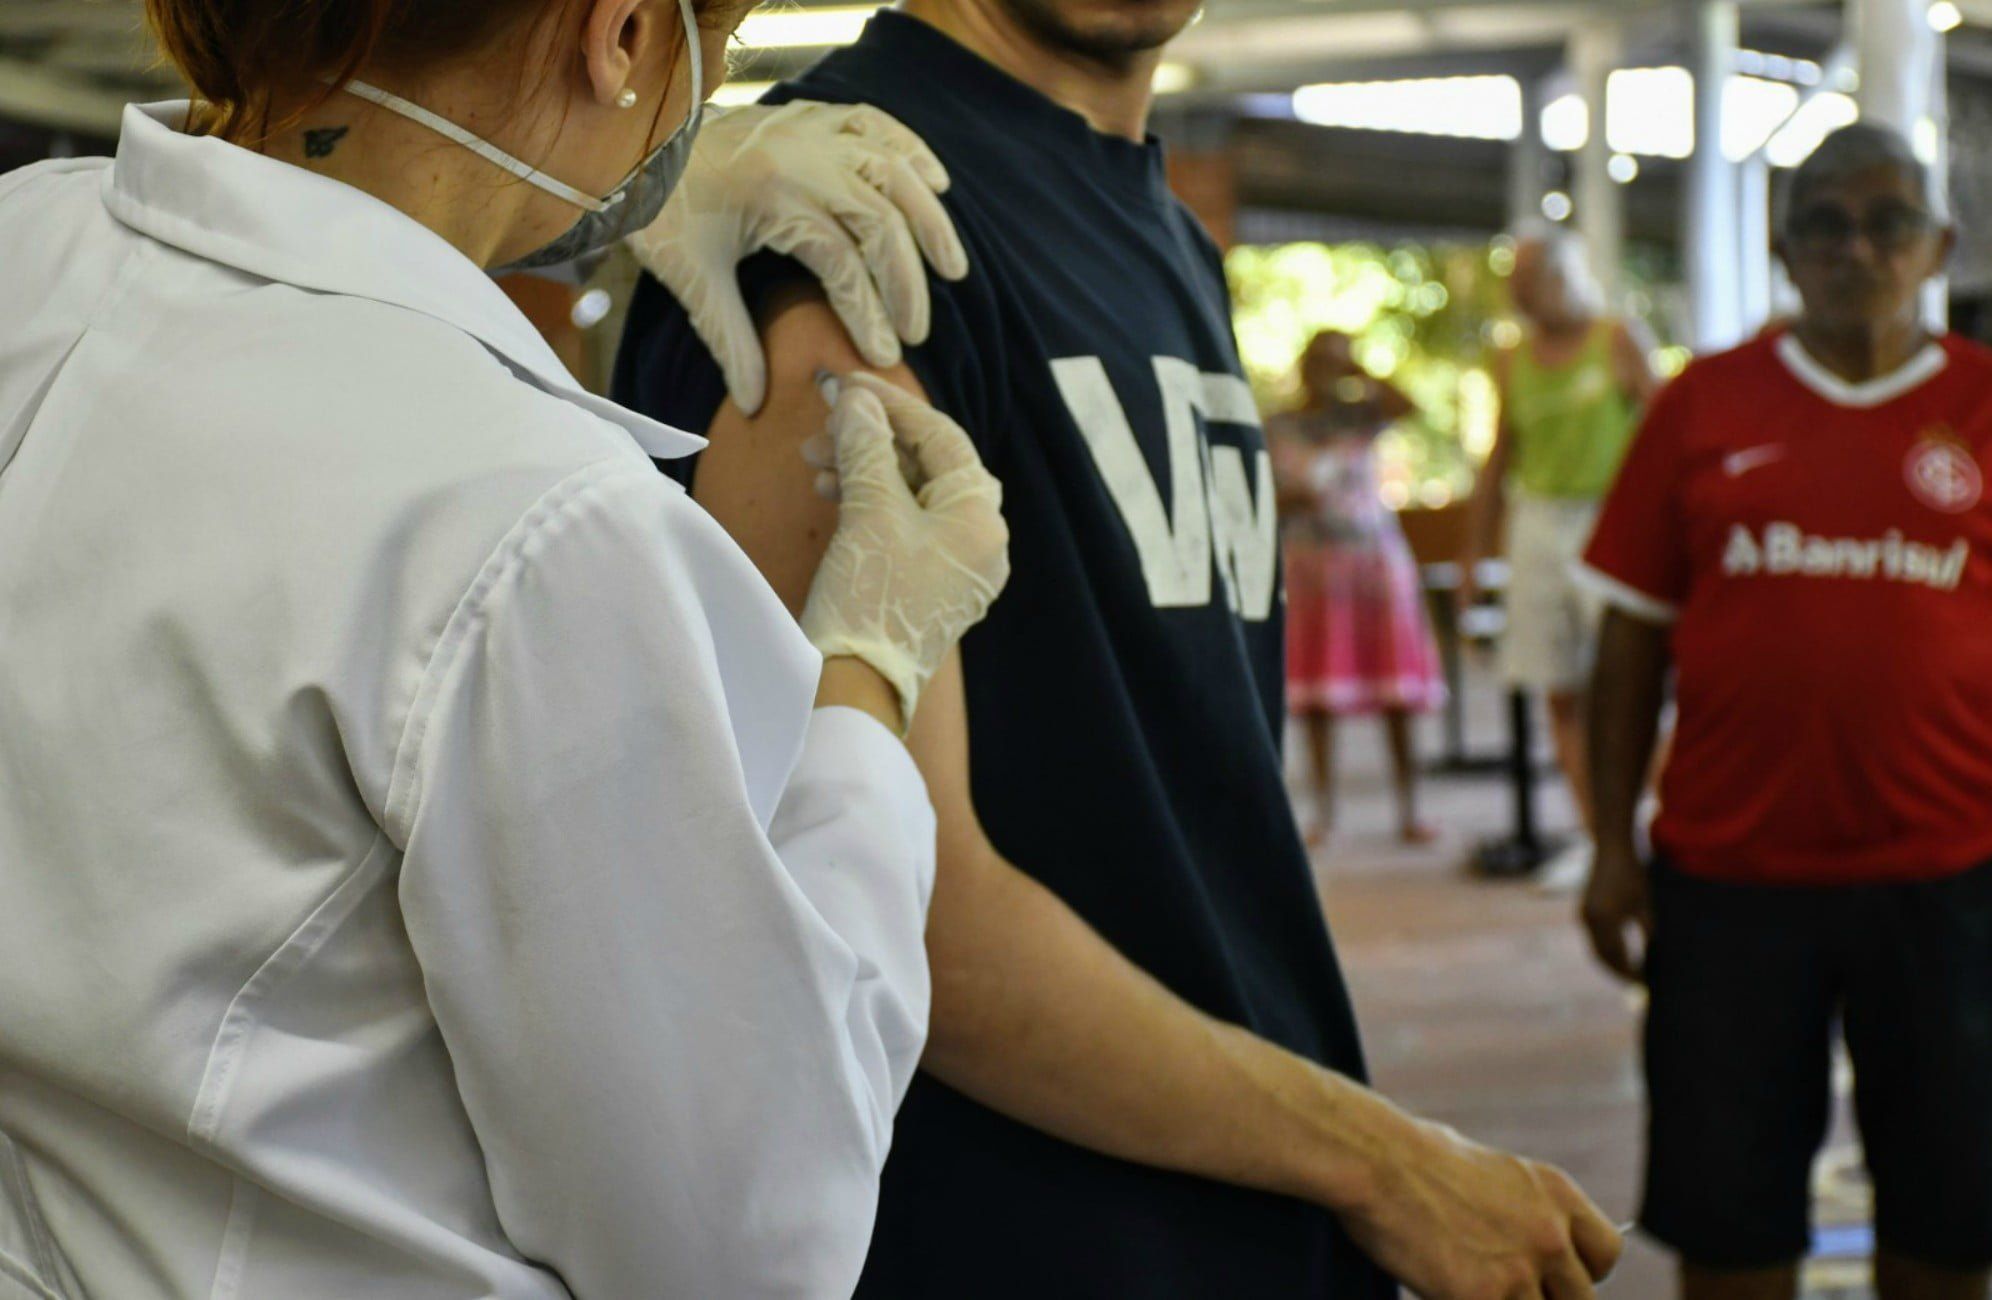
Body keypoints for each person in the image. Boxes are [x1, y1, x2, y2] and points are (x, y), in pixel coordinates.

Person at [0, 0, 1012, 1294]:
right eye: (718, 53)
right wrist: (867, 671)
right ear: (623, 33)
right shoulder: (531, 520)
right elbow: (743, 1244)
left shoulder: (30, 242)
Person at [616, 1, 1623, 1296]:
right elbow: (887, 898)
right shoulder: (841, 209)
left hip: (1239, 1193)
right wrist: (1383, 1162)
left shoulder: (1162, 231)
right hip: (1012, 1236)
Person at [1579, 123, 1992, 1300]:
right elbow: (1628, 640)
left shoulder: (1986, 404)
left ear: (1937, 247)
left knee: (1950, 1221)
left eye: (1886, 222)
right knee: (1729, 1225)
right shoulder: (1701, 404)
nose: (1853, 248)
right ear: (1782, 248)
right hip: (1730, 885)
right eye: (1822, 224)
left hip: (1951, 883)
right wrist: (1609, 846)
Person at [1463, 226, 1654, 879]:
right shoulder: (1511, 359)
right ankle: (1600, 840)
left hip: (1611, 520)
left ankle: (1639, 823)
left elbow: (1664, 433)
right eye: (1514, 286)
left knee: (1625, 682)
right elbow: (1499, 456)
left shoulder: (1618, 339)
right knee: (1560, 689)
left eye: (1530, 282)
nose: (1521, 297)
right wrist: (1475, 554)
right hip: (1537, 523)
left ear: (1565, 276)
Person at [1272, 330, 1446, 847]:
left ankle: (1410, 809)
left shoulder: (1364, 416)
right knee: (1316, 694)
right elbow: (1263, 492)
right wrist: (1295, 499)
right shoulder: (1280, 425)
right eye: (1321, 361)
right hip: (1311, 569)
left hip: (1374, 566)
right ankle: (1323, 813)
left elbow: (1410, 407)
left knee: (1396, 689)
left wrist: (1361, 372)